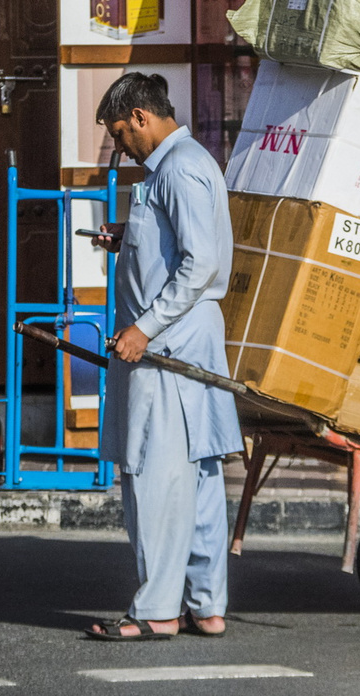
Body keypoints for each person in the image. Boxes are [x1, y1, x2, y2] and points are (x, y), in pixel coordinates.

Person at [84, 73, 243, 642]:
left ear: (143, 117)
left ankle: (156, 611)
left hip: (170, 345)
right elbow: (177, 244)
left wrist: (144, 330)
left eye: (122, 135)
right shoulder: (177, 167)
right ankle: (206, 605)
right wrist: (128, 236)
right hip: (180, 339)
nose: (121, 149)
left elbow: (199, 264)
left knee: (155, 475)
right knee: (197, 478)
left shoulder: (179, 168)